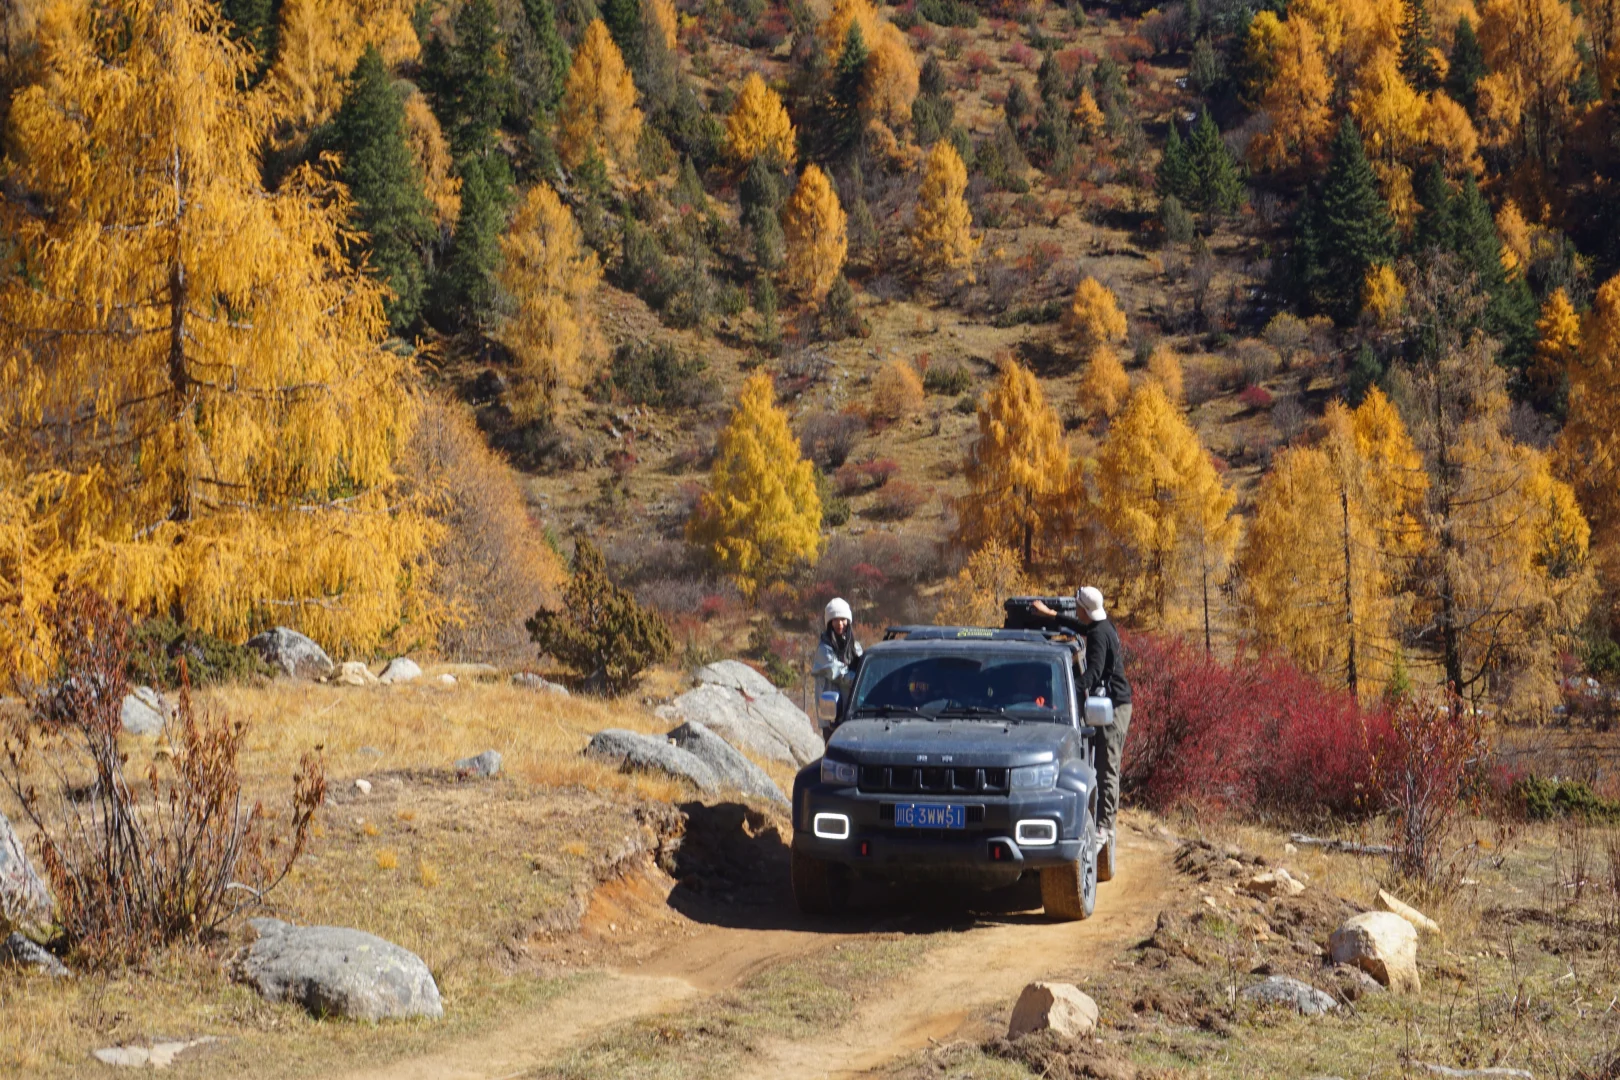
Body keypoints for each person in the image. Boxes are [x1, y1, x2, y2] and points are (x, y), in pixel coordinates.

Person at [1032, 587, 1131, 849]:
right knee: (1104, 764)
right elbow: (1082, 627)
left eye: (1078, 606)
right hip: (1114, 703)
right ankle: (1104, 822)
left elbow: (1094, 674)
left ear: (1084, 609)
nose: (1076, 610)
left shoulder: (1099, 635)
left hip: (1115, 706)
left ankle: (1104, 828)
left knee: (1108, 766)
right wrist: (1053, 615)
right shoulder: (1102, 626)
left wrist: (1062, 690)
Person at [812, 597, 863, 700]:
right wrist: (861, 681)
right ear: (829, 623)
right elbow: (837, 672)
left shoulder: (855, 646)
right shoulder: (824, 649)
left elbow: (862, 667)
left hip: (851, 705)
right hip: (831, 709)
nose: (840, 624)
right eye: (835, 620)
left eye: (843, 619)